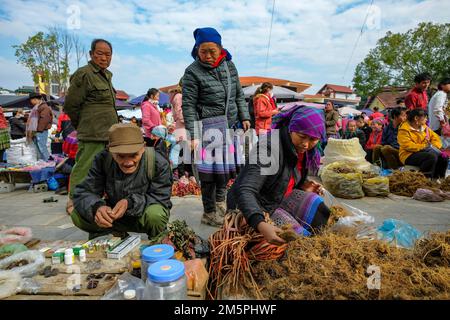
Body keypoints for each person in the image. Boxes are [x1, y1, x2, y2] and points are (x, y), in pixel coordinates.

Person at [227, 105, 330, 244]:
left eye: (313, 139)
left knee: (318, 207)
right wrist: (261, 224)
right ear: (291, 129)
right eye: (302, 136)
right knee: (298, 240)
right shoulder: (269, 148)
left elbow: (287, 177)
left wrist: (303, 186)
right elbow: (246, 189)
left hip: (276, 198)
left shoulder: (304, 152)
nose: (306, 144)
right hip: (254, 207)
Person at [182, 27, 251, 226]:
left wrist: (244, 115)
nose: (208, 56)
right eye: (203, 51)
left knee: (225, 171)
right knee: (209, 175)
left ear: (221, 48)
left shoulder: (229, 65)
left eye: (212, 50)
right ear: (197, 49)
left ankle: (220, 202)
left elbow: (238, 93)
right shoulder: (192, 72)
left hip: (229, 127)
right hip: (208, 130)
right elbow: (189, 105)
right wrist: (194, 135)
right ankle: (209, 212)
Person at [72, 123, 172, 240]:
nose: (128, 162)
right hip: (114, 216)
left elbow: (160, 198)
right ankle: (109, 235)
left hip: (142, 215)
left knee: (156, 215)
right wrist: (97, 207)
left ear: (143, 147)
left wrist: (129, 202)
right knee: (78, 214)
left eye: (134, 155)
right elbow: (84, 192)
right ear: (110, 150)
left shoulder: (158, 163)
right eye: (120, 156)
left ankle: (158, 239)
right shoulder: (102, 160)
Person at [64, 39, 118, 210]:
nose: (104, 58)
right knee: (85, 166)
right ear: (91, 54)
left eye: (108, 54)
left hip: (108, 132)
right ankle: (74, 199)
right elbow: (71, 106)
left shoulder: (106, 75)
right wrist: (83, 125)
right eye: (100, 53)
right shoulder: (84, 74)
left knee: (105, 168)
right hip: (92, 132)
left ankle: (97, 198)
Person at [398, 108, 448, 179]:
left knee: (444, 157)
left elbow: (436, 138)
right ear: (416, 118)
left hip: (425, 151)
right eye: (425, 117)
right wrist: (424, 146)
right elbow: (407, 145)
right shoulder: (404, 130)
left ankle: (437, 179)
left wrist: (433, 146)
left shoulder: (425, 128)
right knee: (431, 157)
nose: (426, 120)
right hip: (408, 155)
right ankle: (424, 180)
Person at [26, 93, 53, 161]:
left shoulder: (44, 107)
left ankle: (48, 161)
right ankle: (42, 160)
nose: (30, 102)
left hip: (41, 130)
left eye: (31, 100)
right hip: (37, 130)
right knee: (38, 146)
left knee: (42, 146)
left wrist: (38, 130)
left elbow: (44, 120)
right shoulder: (37, 107)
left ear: (35, 99)